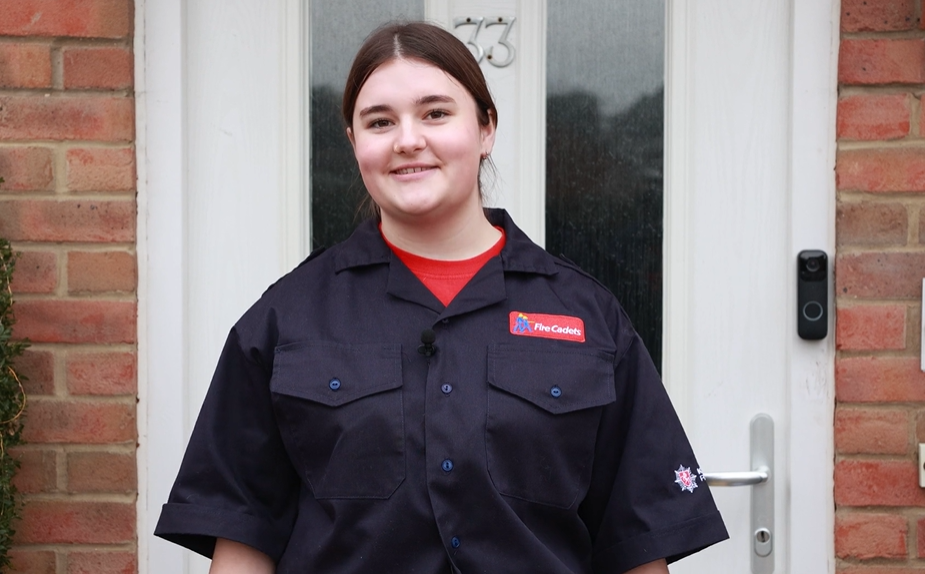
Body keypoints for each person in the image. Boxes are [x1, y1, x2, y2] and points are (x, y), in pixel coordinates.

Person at [155, 21, 728, 574]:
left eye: (435, 113)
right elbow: (243, 541)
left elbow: (636, 546)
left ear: (485, 129)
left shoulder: (588, 318)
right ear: (354, 143)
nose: (408, 140)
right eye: (380, 122)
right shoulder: (285, 320)